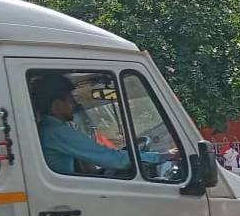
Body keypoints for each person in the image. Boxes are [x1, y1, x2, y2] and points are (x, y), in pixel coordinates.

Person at [33, 73, 165, 176]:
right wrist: (161, 156)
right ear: (57, 104)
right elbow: (114, 159)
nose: (74, 104)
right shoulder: (56, 132)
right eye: (70, 100)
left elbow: (91, 163)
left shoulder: (49, 129)